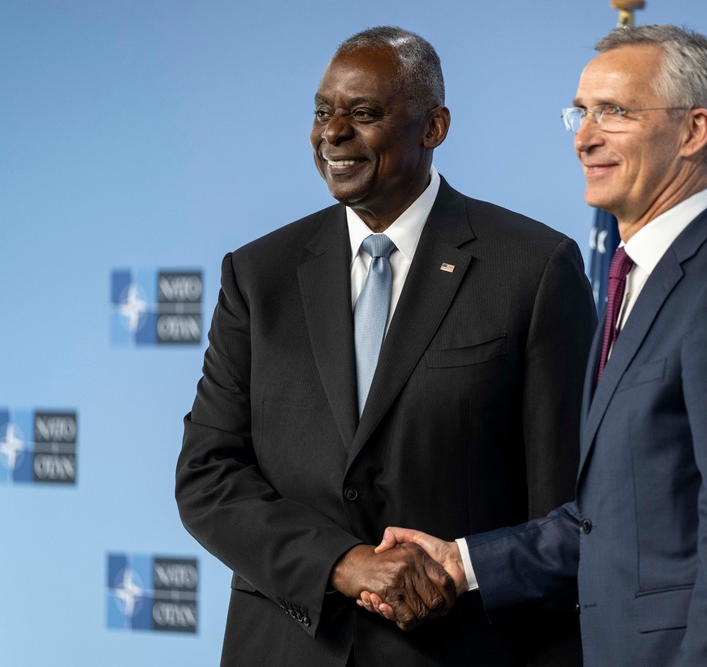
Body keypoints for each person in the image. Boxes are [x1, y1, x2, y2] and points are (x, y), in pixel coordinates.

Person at [367, 25, 707, 666]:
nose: (584, 136)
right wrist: (462, 562)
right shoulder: (631, 283)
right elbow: (610, 522)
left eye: (614, 111)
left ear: (693, 131)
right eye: (580, 112)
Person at [174, 26, 594, 666]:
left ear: (434, 128)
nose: (333, 133)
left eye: (364, 114)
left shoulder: (533, 268)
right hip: (285, 648)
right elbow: (208, 475)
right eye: (323, 112)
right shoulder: (259, 275)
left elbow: (564, 512)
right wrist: (342, 563)